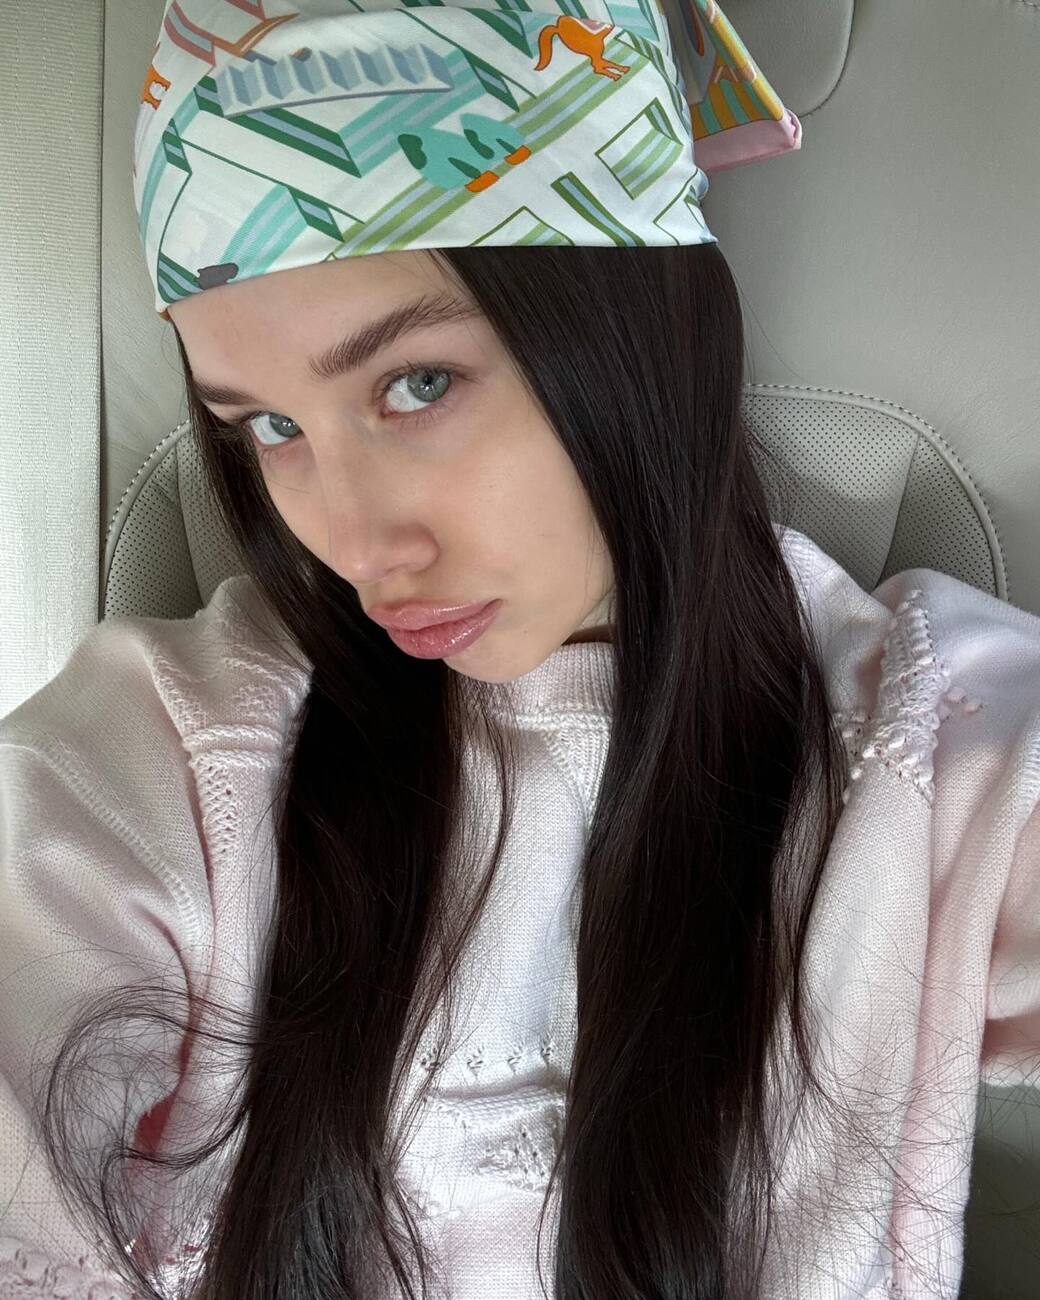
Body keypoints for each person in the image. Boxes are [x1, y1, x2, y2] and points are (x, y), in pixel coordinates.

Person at [1, 2, 1038, 1298]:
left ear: (641, 333)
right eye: (269, 426)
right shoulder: (171, 742)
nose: (355, 541)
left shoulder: (931, 745)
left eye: (416, 384)